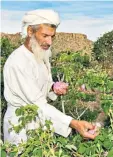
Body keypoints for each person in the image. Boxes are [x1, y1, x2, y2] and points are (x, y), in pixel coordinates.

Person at [3, 9, 98, 145]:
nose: (49, 42)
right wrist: (74, 123)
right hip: (20, 127)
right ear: (30, 32)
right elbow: (37, 103)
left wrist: (53, 87)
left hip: (39, 121)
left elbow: (41, 85)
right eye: (45, 36)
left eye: (52, 36)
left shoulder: (39, 54)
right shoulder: (18, 62)